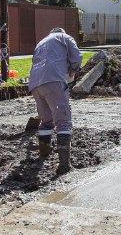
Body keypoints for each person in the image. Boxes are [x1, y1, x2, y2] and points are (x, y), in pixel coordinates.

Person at [29, 27, 82, 175]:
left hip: (35, 84)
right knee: (63, 121)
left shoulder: (41, 42)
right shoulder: (65, 37)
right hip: (53, 80)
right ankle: (64, 165)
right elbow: (77, 58)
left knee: (47, 121)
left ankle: (44, 154)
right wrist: (73, 71)